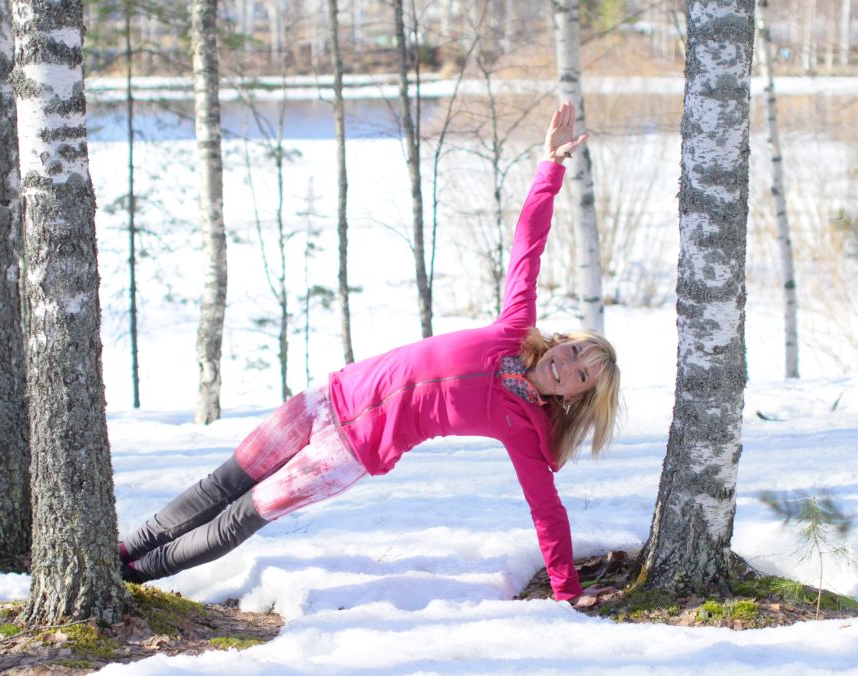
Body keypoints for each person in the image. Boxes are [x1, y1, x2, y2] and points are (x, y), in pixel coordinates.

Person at [119, 102, 620, 608]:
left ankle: (135, 576)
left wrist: (566, 590)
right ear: (563, 339)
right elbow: (528, 243)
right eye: (575, 349)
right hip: (324, 400)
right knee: (222, 483)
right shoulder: (514, 327)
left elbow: (547, 510)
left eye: (580, 374)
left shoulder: (526, 427)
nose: (568, 363)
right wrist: (550, 166)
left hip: (349, 452)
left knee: (243, 514)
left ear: (576, 396)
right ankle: (122, 552)